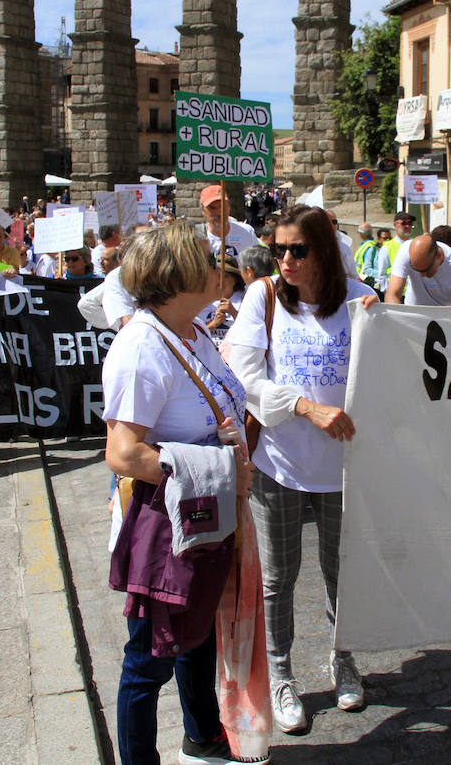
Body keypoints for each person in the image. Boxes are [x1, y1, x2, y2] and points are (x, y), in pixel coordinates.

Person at [102, 221, 258, 765]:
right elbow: (122, 453)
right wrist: (219, 472)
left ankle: (203, 733)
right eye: (207, 260)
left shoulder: (190, 332)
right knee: (149, 657)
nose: (221, 266)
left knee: (196, 635)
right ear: (179, 276)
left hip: (206, 515)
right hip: (168, 521)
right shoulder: (143, 345)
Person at [226, 204, 378, 734]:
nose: (285, 260)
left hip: (344, 469)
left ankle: (344, 661)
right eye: (278, 250)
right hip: (280, 465)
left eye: (297, 250)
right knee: (278, 578)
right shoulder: (263, 298)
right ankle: (282, 676)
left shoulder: (361, 302)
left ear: (323, 253)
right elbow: (241, 375)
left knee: (344, 574)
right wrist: (305, 407)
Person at [385, 233, 451, 306]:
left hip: (445, 319)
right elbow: (392, 294)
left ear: (439, 256)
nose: (422, 276)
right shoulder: (405, 251)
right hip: (413, 314)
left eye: (426, 270)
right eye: (416, 269)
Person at [201, 185, 259, 260]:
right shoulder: (198, 239)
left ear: (229, 207)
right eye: (212, 208)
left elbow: (257, 266)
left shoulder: (247, 232)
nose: (219, 212)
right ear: (203, 211)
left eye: (222, 206)